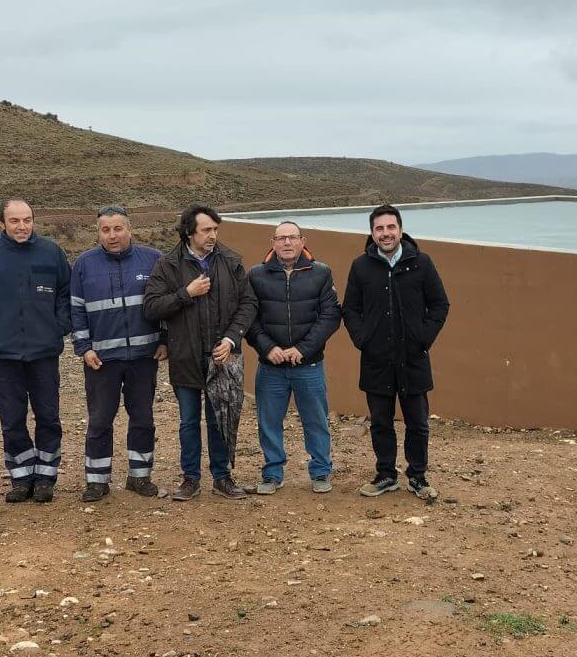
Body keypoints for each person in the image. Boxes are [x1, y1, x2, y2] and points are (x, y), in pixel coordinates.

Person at [0, 198, 71, 503]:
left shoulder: (51, 252)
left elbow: (65, 291)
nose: (22, 226)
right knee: (12, 417)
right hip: (3, 352)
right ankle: (21, 478)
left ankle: (46, 477)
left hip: (44, 351)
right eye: (15, 221)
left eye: (27, 220)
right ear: (2, 223)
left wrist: (59, 325)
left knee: (48, 416)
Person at [143, 203, 257, 501]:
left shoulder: (231, 261)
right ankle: (190, 479)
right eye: (206, 230)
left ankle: (222, 477)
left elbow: (248, 305)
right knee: (188, 421)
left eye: (215, 229)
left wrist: (231, 339)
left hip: (222, 358)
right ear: (189, 232)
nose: (212, 235)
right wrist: (186, 294)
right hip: (185, 357)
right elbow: (151, 307)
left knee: (221, 418)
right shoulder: (168, 264)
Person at [342, 204, 450, 499]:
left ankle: (417, 477)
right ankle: (386, 474)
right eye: (379, 228)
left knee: (418, 423)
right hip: (376, 360)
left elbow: (440, 304)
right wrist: (362, 338)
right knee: (380, 422)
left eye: (390, 227)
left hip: (413, 359)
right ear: (372, 232)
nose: (385, 233)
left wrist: (423, 337)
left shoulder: (421, 263)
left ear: (400, 230)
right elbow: (350, 308)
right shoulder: (361, 266)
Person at [70, 205, 167, 502]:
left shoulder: (153, 260)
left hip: (143, 356)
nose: (112, 235)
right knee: (100, 420)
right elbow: (76, 309)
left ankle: (140, 477)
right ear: (98, 232)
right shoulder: (84, 264)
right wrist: (83, 348)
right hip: (101, 360)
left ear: (129, 228)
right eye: (105, 230)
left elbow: (165, 306)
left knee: (143, 418)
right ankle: (97, 481)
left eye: (118, 229)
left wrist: (165, 340)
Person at [245, 220, 341, 494]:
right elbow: (249, 319)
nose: (287, 243)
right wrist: (268, 348)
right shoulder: (256, 275)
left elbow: (330, 316)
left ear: (303, 241)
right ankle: (272, 474)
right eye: (281, 238)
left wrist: (303, 349)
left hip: (308, 364)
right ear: (272, 243)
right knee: (269, 421)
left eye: (292, 237)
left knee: (316, 421)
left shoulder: (321, 273)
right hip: (270, 366)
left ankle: (321, 472)